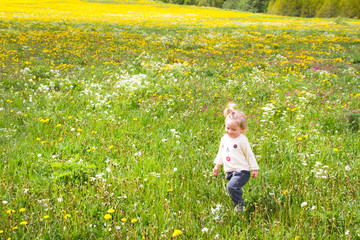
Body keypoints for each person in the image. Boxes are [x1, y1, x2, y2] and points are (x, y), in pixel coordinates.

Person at [212, 103, 259, 212]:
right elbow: (221, 153)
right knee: (232, 188)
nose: (229, 131)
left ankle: (239, 206)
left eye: (234, 129)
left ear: (242, 129)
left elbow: (249, 154)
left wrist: (254, 168)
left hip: (242, 171)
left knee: (231, 187)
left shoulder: (242, 140)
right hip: (229, 171)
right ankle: (237, 203)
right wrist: (217, 165)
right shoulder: (224, 139)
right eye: (227, 128)